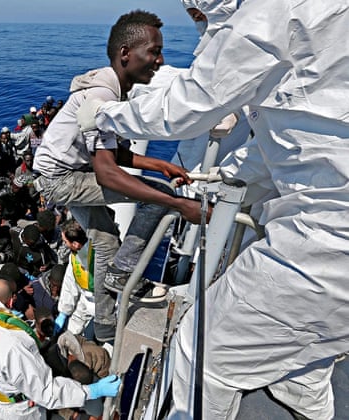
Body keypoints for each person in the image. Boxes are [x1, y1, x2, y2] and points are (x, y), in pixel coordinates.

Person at [93, 1, 349, 418]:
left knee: (201, 347)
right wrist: (218, 175)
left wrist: (108, 115)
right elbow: (294, 138)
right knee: (312, 341)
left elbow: (191, 103)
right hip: (329, 226)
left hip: (329, 240)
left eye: (199, 12)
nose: (203, 23)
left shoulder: (278, 9)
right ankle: (302, 389)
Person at [32, 10, 201, 344]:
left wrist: (159, 164)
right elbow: (107, 172)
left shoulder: (114, 92)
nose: (160, 59)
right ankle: (124, 274)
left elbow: (115, 154)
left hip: (66, 173)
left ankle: (106, 324)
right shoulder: (102, 97)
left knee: (107, 239)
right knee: (159, 201)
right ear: (126, 53)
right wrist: (179, 204)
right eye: (153, 51)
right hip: (62, 178)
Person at [0, 279, 122, 419]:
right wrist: (92, 391)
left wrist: (19, 389)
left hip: (1, 399)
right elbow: (47, 392)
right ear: (11, 301)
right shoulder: (12, 343)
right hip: (20, 412)